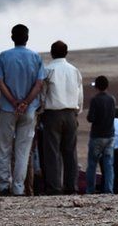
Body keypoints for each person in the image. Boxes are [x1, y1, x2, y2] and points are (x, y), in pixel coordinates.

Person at [0, 24, 45, 196]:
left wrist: (14, 101)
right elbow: (39, 84)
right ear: (27, 37)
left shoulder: (4, 56)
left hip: (8, 108)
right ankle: (18, 187)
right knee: (23, 150)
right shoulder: (36, 57)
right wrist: (26, 102)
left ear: (12, 37)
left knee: (4, 147)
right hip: (29, 110)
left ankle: (2, 185)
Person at [41, 40, 83, 195]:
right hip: (71, 113)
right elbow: (80, 95)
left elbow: (43, 94)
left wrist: (40, 111)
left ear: (52, 52)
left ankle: (54, 187)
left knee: (52, 152)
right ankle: (71, 186)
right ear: (66, 52)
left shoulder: (48, 70)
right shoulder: (74, 70)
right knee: (70, 152)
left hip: (52, 113)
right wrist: (76, 112)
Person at [86, 76, 116, 193]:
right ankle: (109, 190)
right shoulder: (112, 99)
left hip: (97, 136)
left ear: (97, 87)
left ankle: (90, 190)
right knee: (108, 164)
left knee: (92, 164)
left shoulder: (95, 100)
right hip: (110, 136)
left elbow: (91, 118)